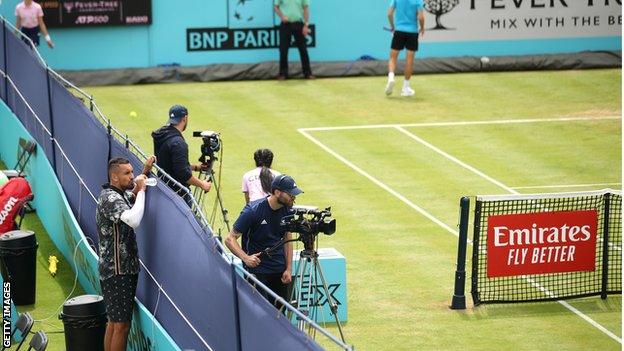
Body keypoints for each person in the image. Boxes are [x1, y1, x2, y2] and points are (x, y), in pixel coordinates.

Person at [96, 156, 154, 351]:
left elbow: (132, 194)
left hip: (114, 269)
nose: (131, 176)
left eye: (132, 172)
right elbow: (133, 219)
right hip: (118, 271)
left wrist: (144, 173)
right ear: (114, 177)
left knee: (114, 323)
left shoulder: (116, 194)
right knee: (121, 326)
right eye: (127, 173)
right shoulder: (111, 198)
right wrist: (143, 191)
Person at [225, 174, 303, 307]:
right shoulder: (253, 210)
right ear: (277, 192)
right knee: (261, 313)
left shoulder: (288, 210)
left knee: (280, 312)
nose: (293, 197)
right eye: (290, 193)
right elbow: (229, 239)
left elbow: (287, 238)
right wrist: (246, 258)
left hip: (279, 270)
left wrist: (289, 268)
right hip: (257, 271)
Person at [152, 105, 211, 204]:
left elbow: (170, 163)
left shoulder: (162, 134)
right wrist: (202, 184)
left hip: (164, 188)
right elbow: (184, 175)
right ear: (185, 118)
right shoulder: (178, 143)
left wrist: (196, 167)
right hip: (178, 195)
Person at [385, 0, 425, 97]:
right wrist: (422, 27)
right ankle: (406, 87)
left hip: (399, 31)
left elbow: (389, 13)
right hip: (412, 32)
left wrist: (393, 27)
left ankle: (391, 77)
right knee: (409, 59)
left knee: (393, 57)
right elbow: (420, 17)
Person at [274, 0, 314, 80]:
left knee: (303, 49)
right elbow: (276, 7)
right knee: (283, 50)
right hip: (285, 25)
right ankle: (283, 74)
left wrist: (306, 25)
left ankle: (308, 73)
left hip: (298, 24)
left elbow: (306, 8)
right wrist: (282, 17)